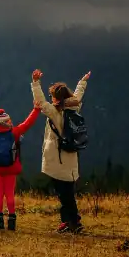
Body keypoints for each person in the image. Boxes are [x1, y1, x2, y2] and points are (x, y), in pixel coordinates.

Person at [31, 68, 91, 233]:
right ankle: (68, 222)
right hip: (71, 160)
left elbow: (41, 103)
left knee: (65, 196)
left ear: (57, 98)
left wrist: (35, 83)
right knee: (68, 193)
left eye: (52, 96)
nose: (51, 99)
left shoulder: (57, 114)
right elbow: (78, 96)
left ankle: (74, 223)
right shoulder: (74, 110)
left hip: (59, 160)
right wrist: (82, 81)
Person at [0, 77, 40, 231]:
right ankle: (12, 220)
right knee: (10, 194)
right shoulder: (14, 132)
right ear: (8, 121)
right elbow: (28, 123)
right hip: (11, 167)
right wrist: (36, 109)